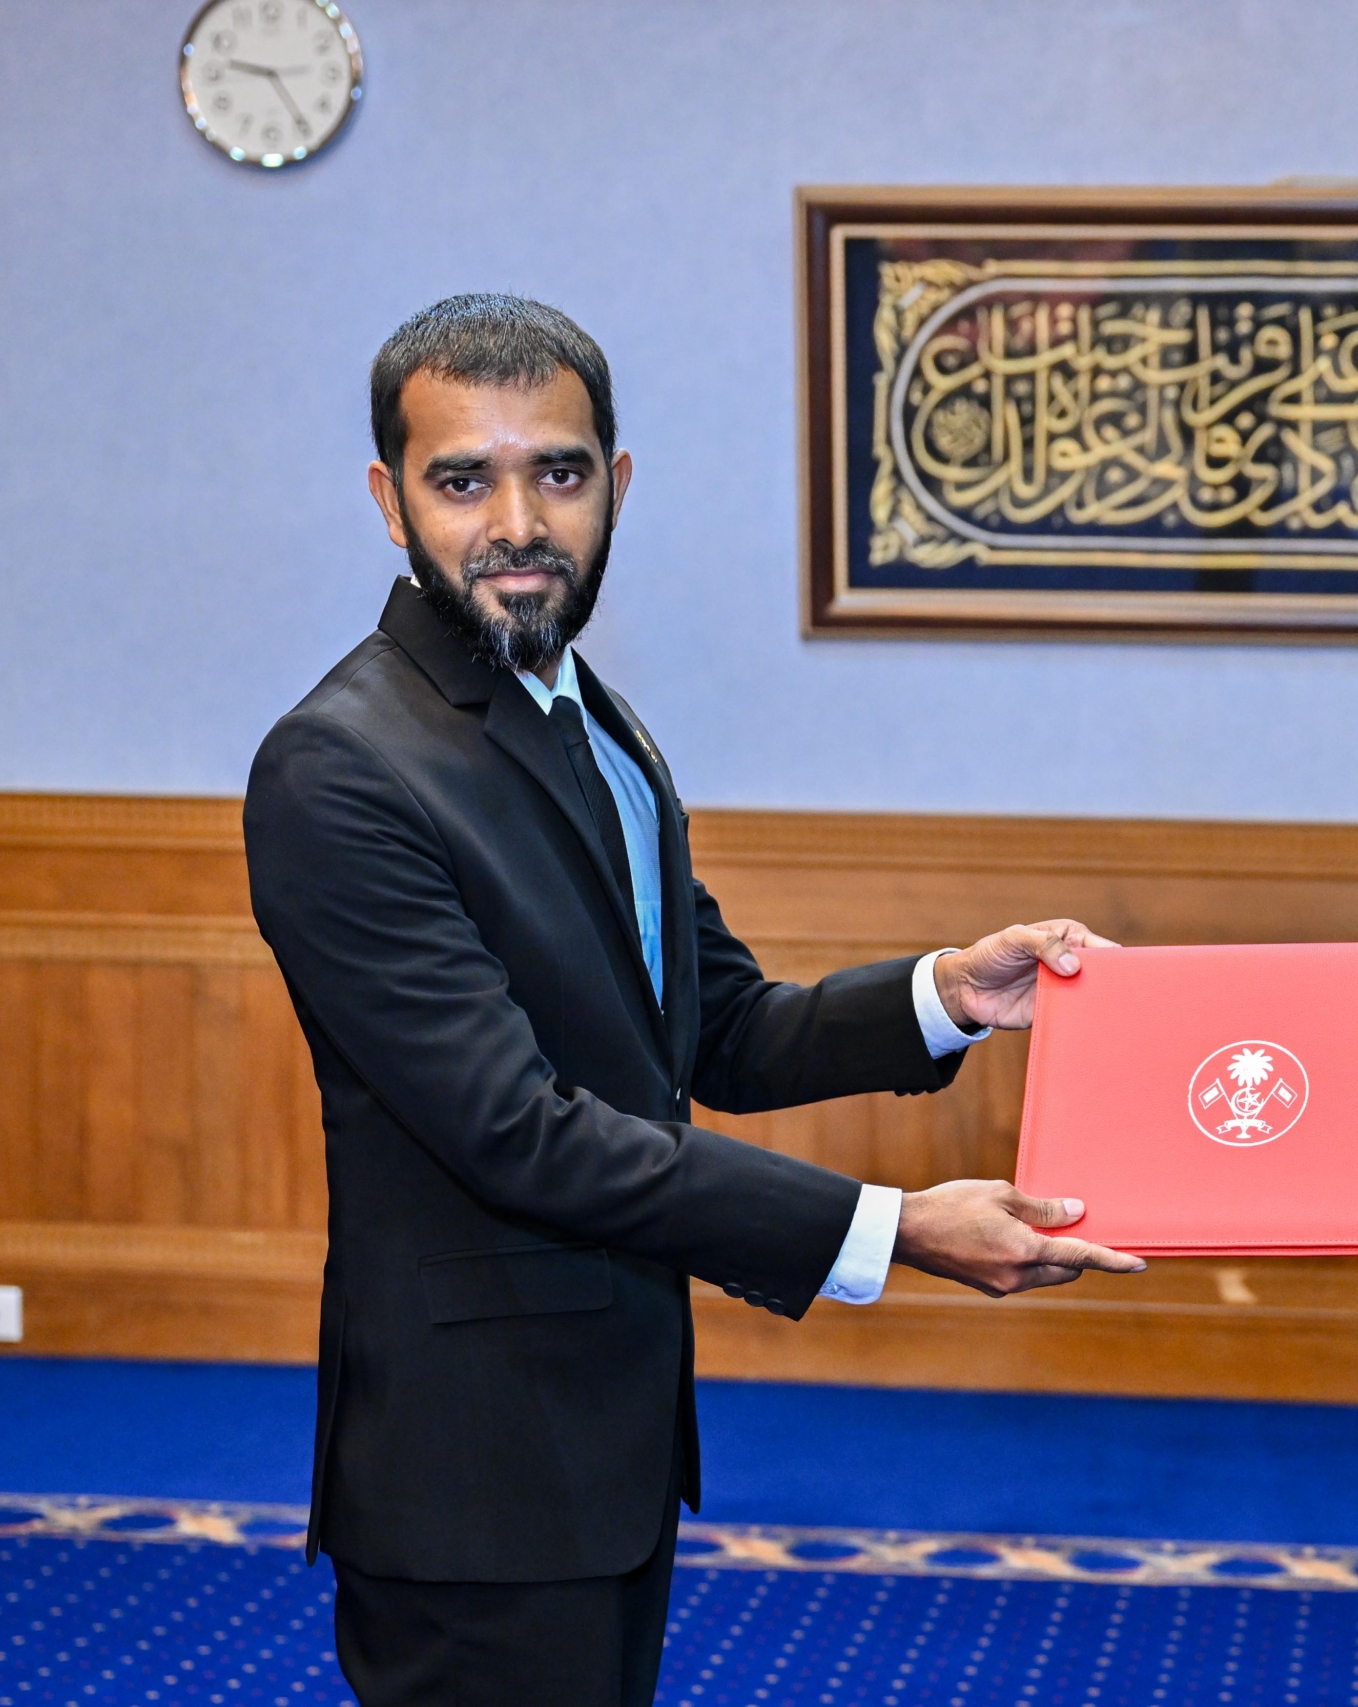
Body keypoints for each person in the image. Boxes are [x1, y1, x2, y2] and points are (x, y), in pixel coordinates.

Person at [243, 294, 1144, 1707]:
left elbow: (714, 1028)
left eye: (558, 472)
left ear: (616, 482)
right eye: (463, 481)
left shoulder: (593, 721)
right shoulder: (340, 769)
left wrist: (947, 996)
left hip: (606, 1445)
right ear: (388, 499)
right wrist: (894, 1229)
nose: (519, 523)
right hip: (471, 1478)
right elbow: (518, 1133)